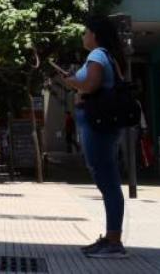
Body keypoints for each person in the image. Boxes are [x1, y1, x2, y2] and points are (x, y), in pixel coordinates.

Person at [59, 16, 128, 258]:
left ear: (95, 35)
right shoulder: (108, 55)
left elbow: (90, 85)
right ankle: (111, 237)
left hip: (97, 123)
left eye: (85, 32)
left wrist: (71, 82)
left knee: (107, 179)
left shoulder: (97, 54)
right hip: (101, 123)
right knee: (106, 178)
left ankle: (114, 242)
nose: (83, 36)